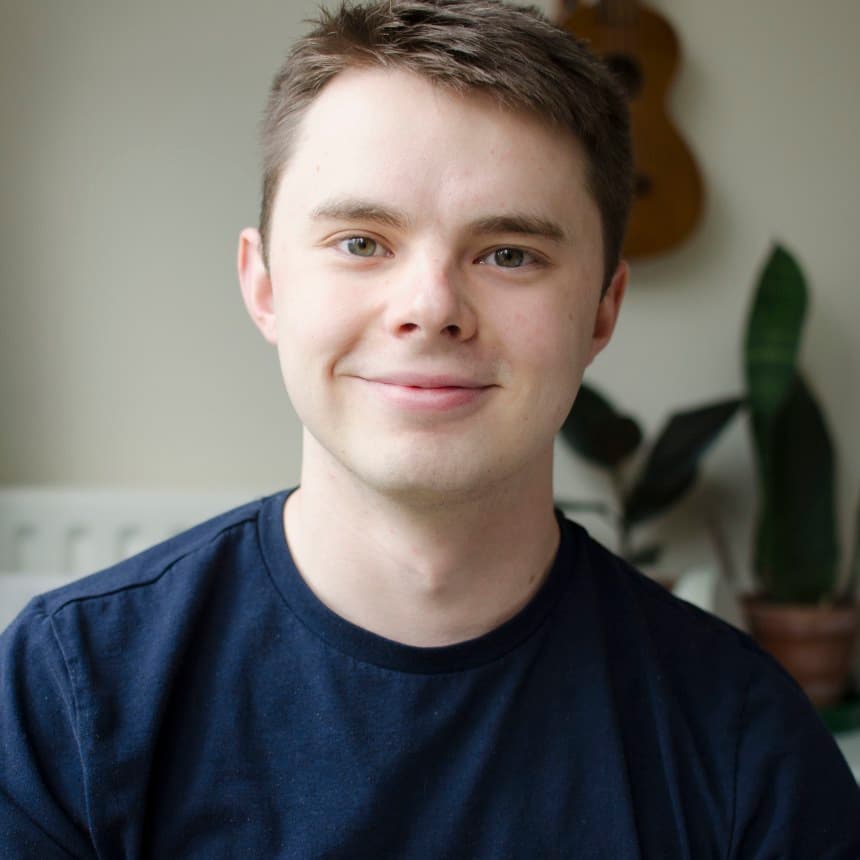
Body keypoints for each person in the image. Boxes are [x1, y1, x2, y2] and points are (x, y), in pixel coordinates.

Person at [1, 0, 858, 855]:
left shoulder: (749, 743)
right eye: (361, 242)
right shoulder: (67, 694)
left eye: (509, 254)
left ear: (603, 310)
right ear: (264, 285)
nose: (431, 307)